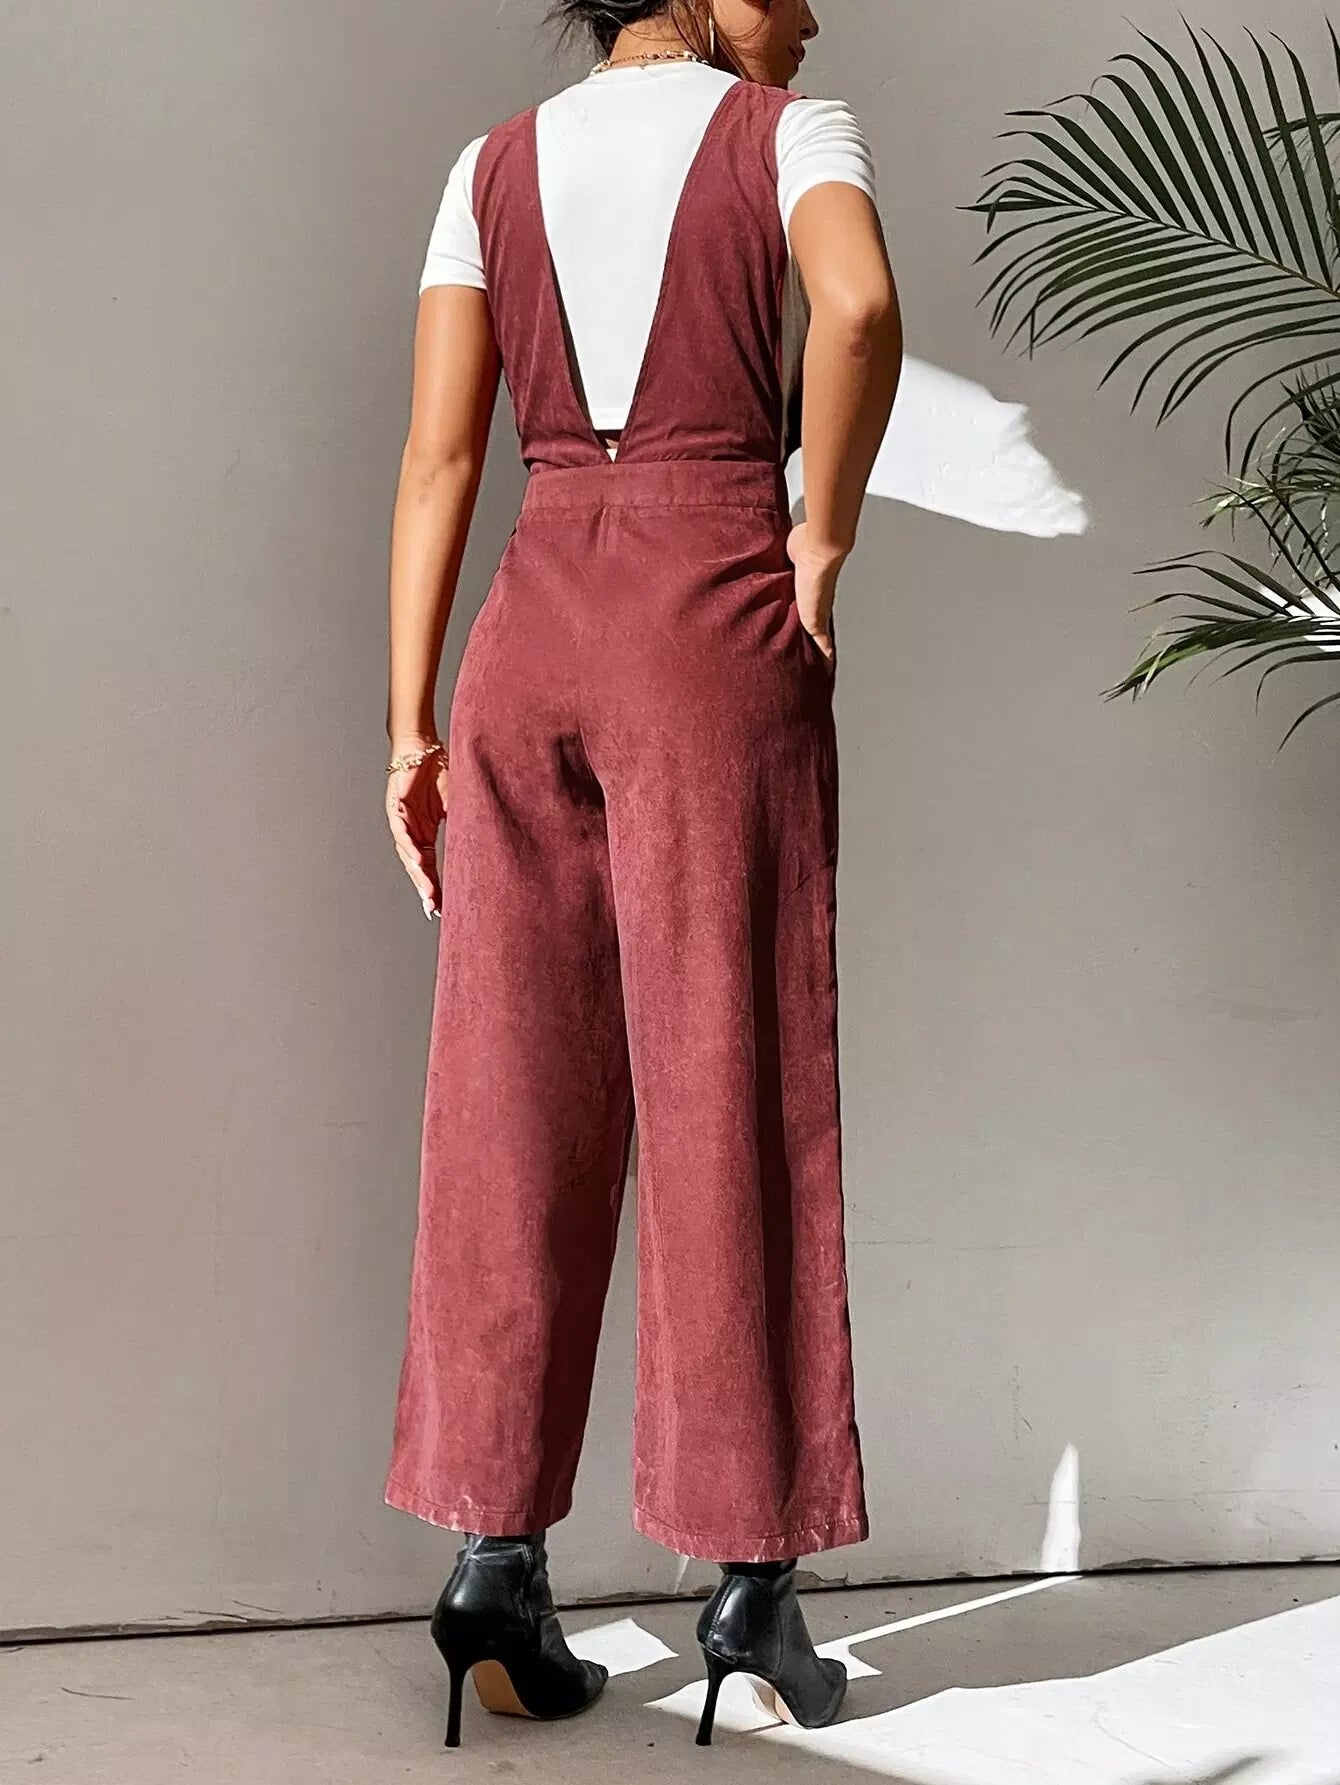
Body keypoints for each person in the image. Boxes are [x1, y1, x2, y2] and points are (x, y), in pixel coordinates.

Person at [382, 0, 902, 1750]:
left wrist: (409, 726)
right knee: (727, 1075)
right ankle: (752, 1579)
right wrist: (817, 538)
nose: (814, 12)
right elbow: (856, 308)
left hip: (523, 634)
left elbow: (441, 453)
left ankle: (492, 1555)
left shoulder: (489, 167)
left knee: (507, 1094)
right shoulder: (793, 135)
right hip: (711, 611)